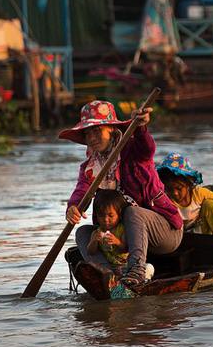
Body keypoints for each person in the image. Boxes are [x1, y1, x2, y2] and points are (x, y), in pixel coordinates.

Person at [60, 100, 183, 287]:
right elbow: (80, 194)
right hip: (122, 238)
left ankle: (136, 270)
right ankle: (107, 274)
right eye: (87, 133)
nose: (91, 138)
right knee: (83, 233)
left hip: (164, 232)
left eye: (96, 131)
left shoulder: (131, 150)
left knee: (132, 212)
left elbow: (147, 148)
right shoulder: (90, 167)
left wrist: (141, 128)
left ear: (110, 128)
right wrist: (73, 208)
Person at [157, 152, 213, 235]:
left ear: (188, 184)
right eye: (169, 188)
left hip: (202, 229)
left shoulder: (198, 193)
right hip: (180, 233)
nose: (175, 193)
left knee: (210, 204)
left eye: (179, 188)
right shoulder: (166, 198)